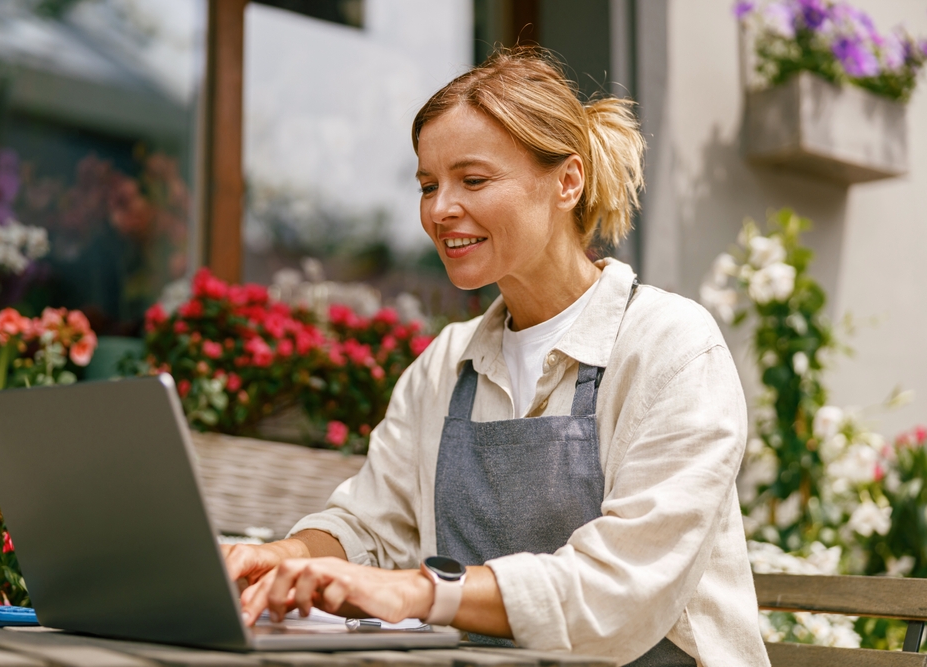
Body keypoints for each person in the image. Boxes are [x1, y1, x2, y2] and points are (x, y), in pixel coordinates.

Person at [223, 47, 770, 667]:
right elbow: (371, 525)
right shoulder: (445, 365)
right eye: (428, 185)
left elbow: (621, 589)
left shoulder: (669, 346)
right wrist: (293, 554)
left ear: (567, 181)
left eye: (473, 180)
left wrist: (421, 591)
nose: (439, 209)